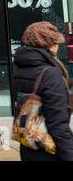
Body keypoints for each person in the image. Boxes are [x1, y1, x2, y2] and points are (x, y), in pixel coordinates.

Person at [12, 21, 73, 161]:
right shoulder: (50, 73)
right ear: (48, 45)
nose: (58, 46)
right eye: (56, 42)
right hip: (48, 148)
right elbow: (57, 124)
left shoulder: (21, 69)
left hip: (28, 145)